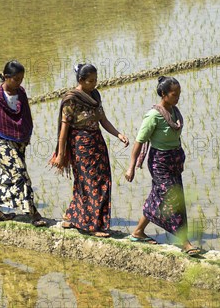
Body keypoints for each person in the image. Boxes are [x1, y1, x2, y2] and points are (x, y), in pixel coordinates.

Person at [50, 64, 129, 237]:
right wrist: (61, 154)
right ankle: (92, 226)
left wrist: (118, 134)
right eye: (90, 81)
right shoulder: (71, 100)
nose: (94, 84)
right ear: (81, 80)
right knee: (90, 183)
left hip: (97, 144)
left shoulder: (95, 95)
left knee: (100, 181)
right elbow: (64, 131)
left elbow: (103, 120)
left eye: (95, 80)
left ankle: (72, 216)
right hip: (81, 147)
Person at [124, 76, 201, 255]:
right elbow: (139, 141)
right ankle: (185, 242)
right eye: (174, 95)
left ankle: (137, 232)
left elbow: (175, 137)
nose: (178, 98)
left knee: (158, 198)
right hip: (160, 162)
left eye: (179, 94)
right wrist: (131, 167)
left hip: (174, 161)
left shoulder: (175, 112)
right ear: (163, 94)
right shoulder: (154, 115)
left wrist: (180, 158)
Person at [0, 60, 47, 227]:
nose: (19, 82)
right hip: (3, 140)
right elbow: (3, 122)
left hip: (20, 140)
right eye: (16, 79)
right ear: (6, 77)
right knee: (20, 174)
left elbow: (25, 115)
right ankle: (33, 213)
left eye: (21, 79)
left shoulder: (20, 92)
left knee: (8, 174)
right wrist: (16, 134)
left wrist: (25, 134)